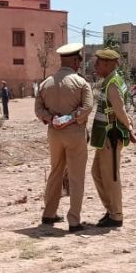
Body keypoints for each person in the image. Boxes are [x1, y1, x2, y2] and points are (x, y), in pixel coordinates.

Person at [35, 43, 94, 233]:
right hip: (75, 133)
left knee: (55, 172)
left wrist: (52, 118)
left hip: (54, 133)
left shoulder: (46, 83)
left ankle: (49, 214)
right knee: (76, 176)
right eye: (79, 61)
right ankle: (74, 220)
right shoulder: (81, 83)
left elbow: (38, 109)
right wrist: (70, 118)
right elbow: (87, 107)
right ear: (75, 61)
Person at [90, 49, 136, 229]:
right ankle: (111, 210)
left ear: (108, 64)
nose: (95, 66)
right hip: (104, 137)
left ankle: (116, 215)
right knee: (97, 173)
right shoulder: (112, 81)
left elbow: (119, 110)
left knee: (111, 176)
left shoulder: (112, 84)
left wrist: (129, 127)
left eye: (98, 63)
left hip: (111, 136)